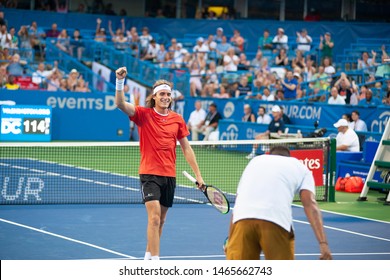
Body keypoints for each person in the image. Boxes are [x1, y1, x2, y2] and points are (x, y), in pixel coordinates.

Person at [114, 66, 205, 260]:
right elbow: (121, 104)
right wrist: (120, 82)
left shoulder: (177, 119)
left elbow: (186, 148)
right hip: (149, 173)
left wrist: (198, 175)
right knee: (154, 218)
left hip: (169, 175)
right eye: (162, 93)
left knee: (161, 221)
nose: (166, 97)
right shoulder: (143, 114)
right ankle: (156, 263)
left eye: (168, 94)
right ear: (154, 97)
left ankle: (148, 256)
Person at [226, 145, 332, 260]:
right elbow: (310, 204)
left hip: (242, 221)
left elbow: (239, 202)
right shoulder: (300, 167)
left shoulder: (254, 162)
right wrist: (323, 244)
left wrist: (231, 239)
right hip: (276, 221)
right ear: (288, 156)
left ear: (270, 154)